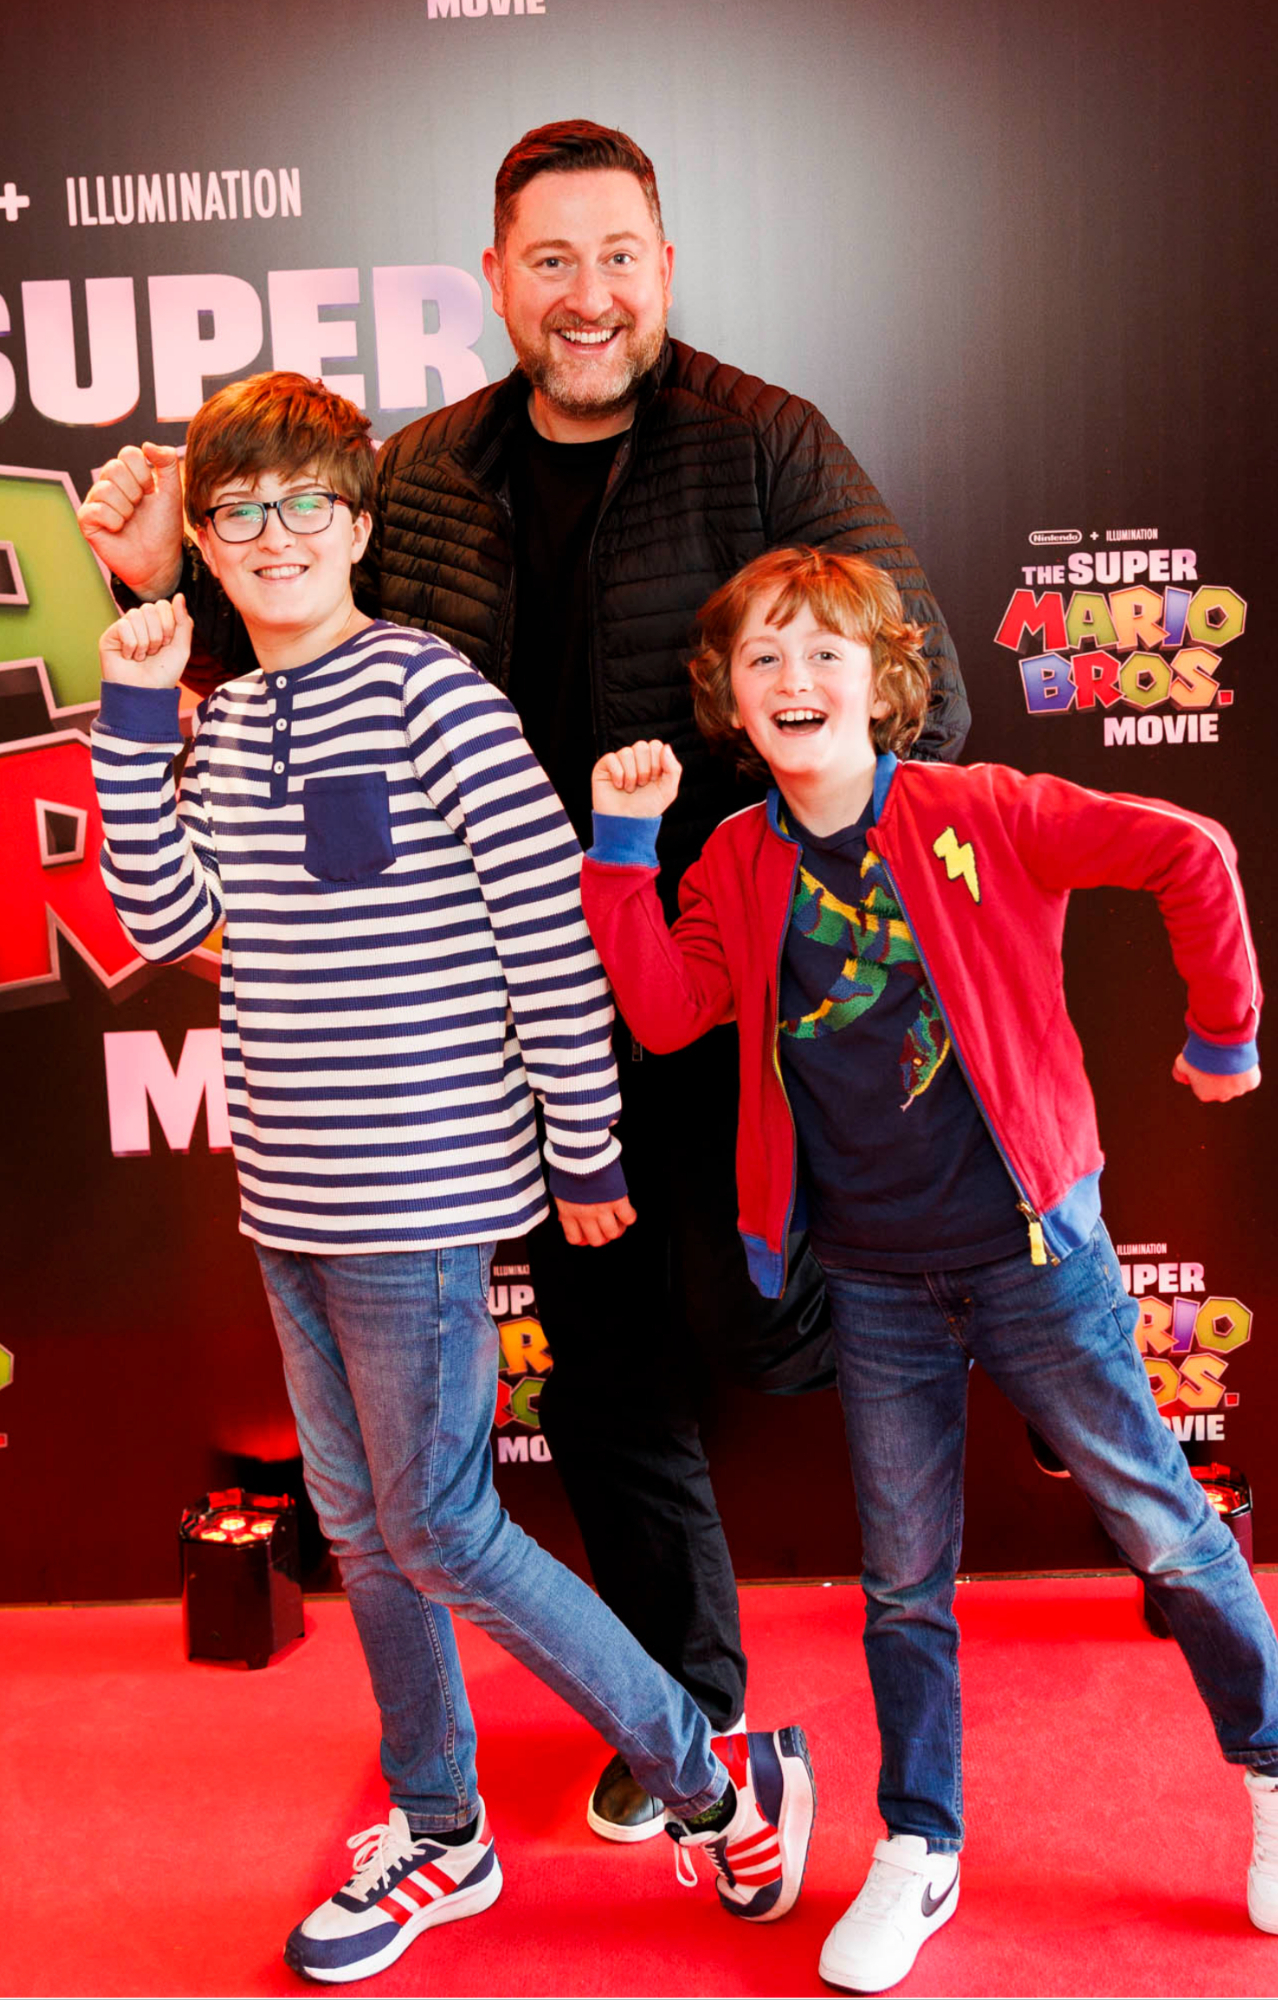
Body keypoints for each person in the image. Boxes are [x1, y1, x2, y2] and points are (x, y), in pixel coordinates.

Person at [76, 118, 969, 1842]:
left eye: (617, 256)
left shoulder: (765, 440)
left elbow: (916, 688)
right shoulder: (423, 468)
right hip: (505, 1008)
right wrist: (164, 566)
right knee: (609, 1368)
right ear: (494, 278)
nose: (587, 294)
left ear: (666, 266)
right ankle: (694, 1706)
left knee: (764, 1318)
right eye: (550, 260)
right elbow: (287, 622)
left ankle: (847, 1698)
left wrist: (772, 896)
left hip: (718, 984)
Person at [87, 371, 817, 1984]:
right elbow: (162, 919)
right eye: (238, 512)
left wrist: (585, 1145)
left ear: (359, 523)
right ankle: (442, 1830)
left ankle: (714, 1777)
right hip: (288, 1192)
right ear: (205, 539)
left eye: (306, 505)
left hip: (417, 1189)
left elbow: (546, 933)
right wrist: (133, 716)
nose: (274, 536)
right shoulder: (224, 718)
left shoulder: (434, 693)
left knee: (436, 1524)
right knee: (363, 1526)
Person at [579, 545, 1278, 1991]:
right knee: (904, 1584)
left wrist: (1225, 1028)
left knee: (1164, 1528)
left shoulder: (981, 809)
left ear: (884, 679)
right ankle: (921, 1841)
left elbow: (1191, 849)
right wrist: (621, 847)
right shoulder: (735, 858)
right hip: (876, 1281)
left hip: (1038, 1257)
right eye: (764, 658)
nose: (795, 679)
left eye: (825, 652)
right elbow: (663, 1014)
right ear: (729, 698)